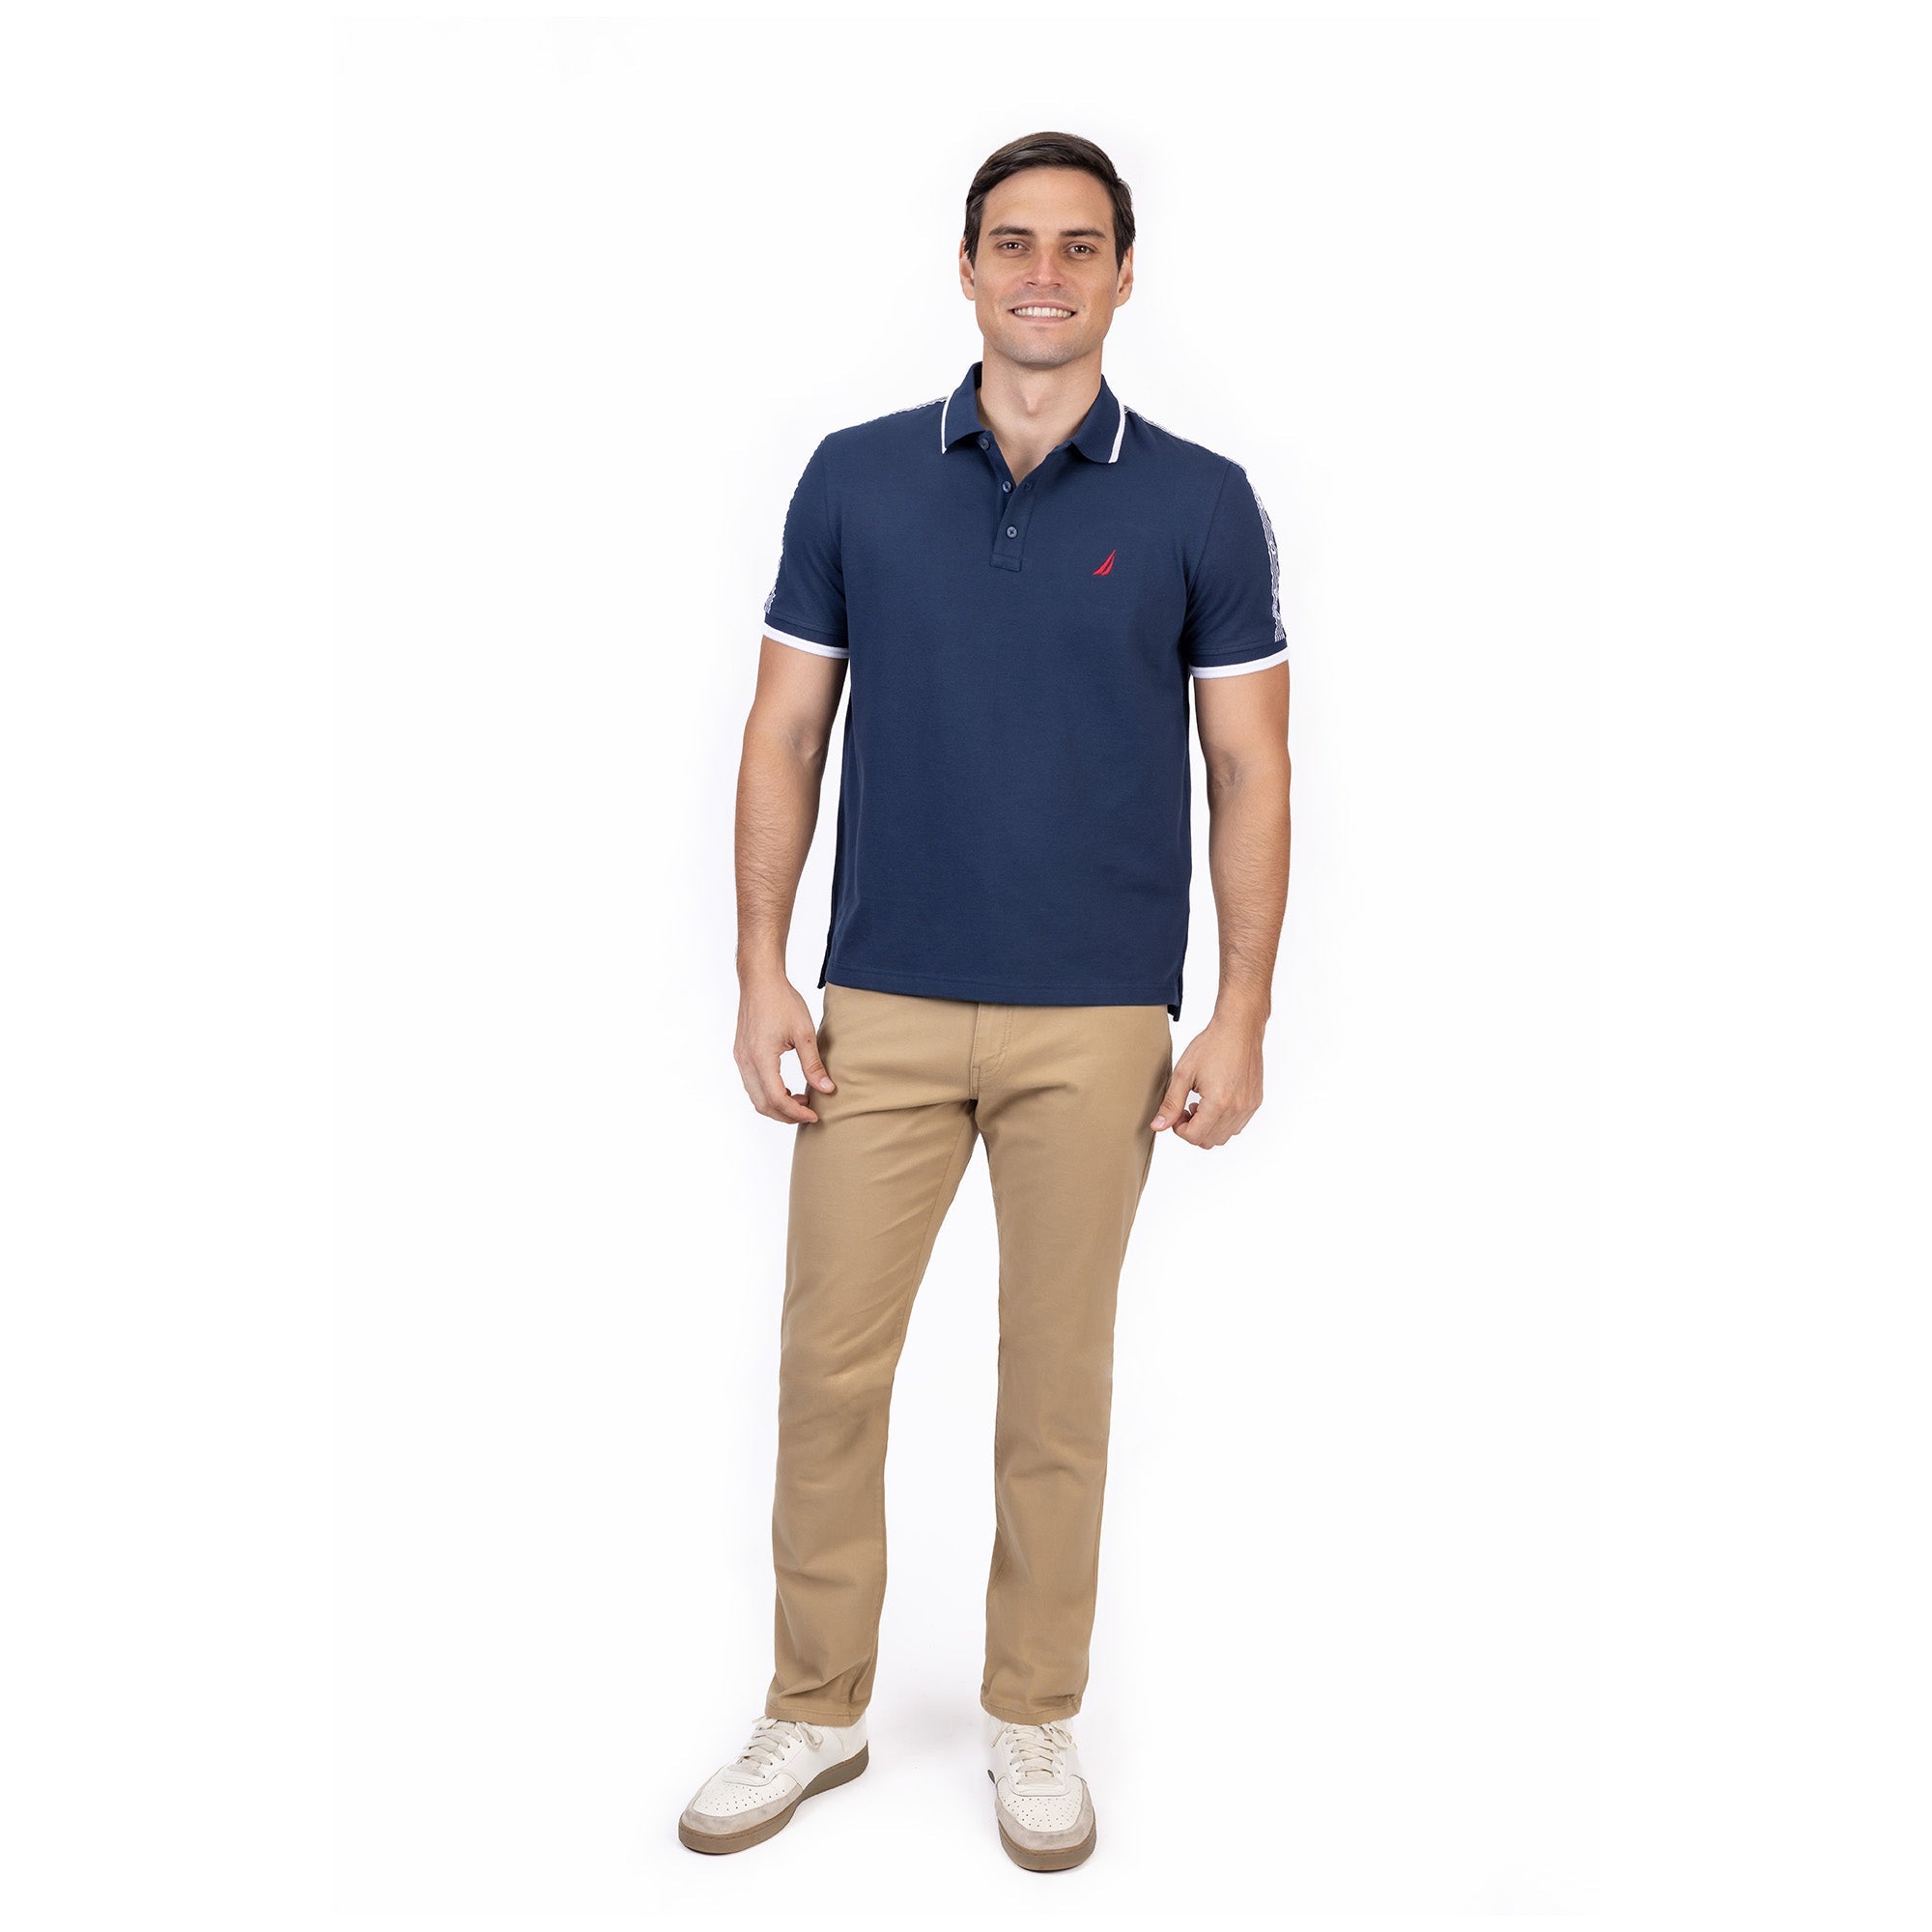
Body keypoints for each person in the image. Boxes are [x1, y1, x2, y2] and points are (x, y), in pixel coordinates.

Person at [679, 130, 1293, 1872]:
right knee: (827, 1370)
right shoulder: (856, 479)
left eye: (1078, 245)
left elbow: (1252, 769)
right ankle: (817, 1705)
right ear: (964, 269)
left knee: (1055, 1386)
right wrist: (759, 968)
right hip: (875, 1003)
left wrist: (1240, 1012)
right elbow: (785, 730)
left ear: (1123, 276)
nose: (1044, 273)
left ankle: (1033, 1713)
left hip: (1096, 1020)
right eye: (1012, 242)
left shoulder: (1201, 502)